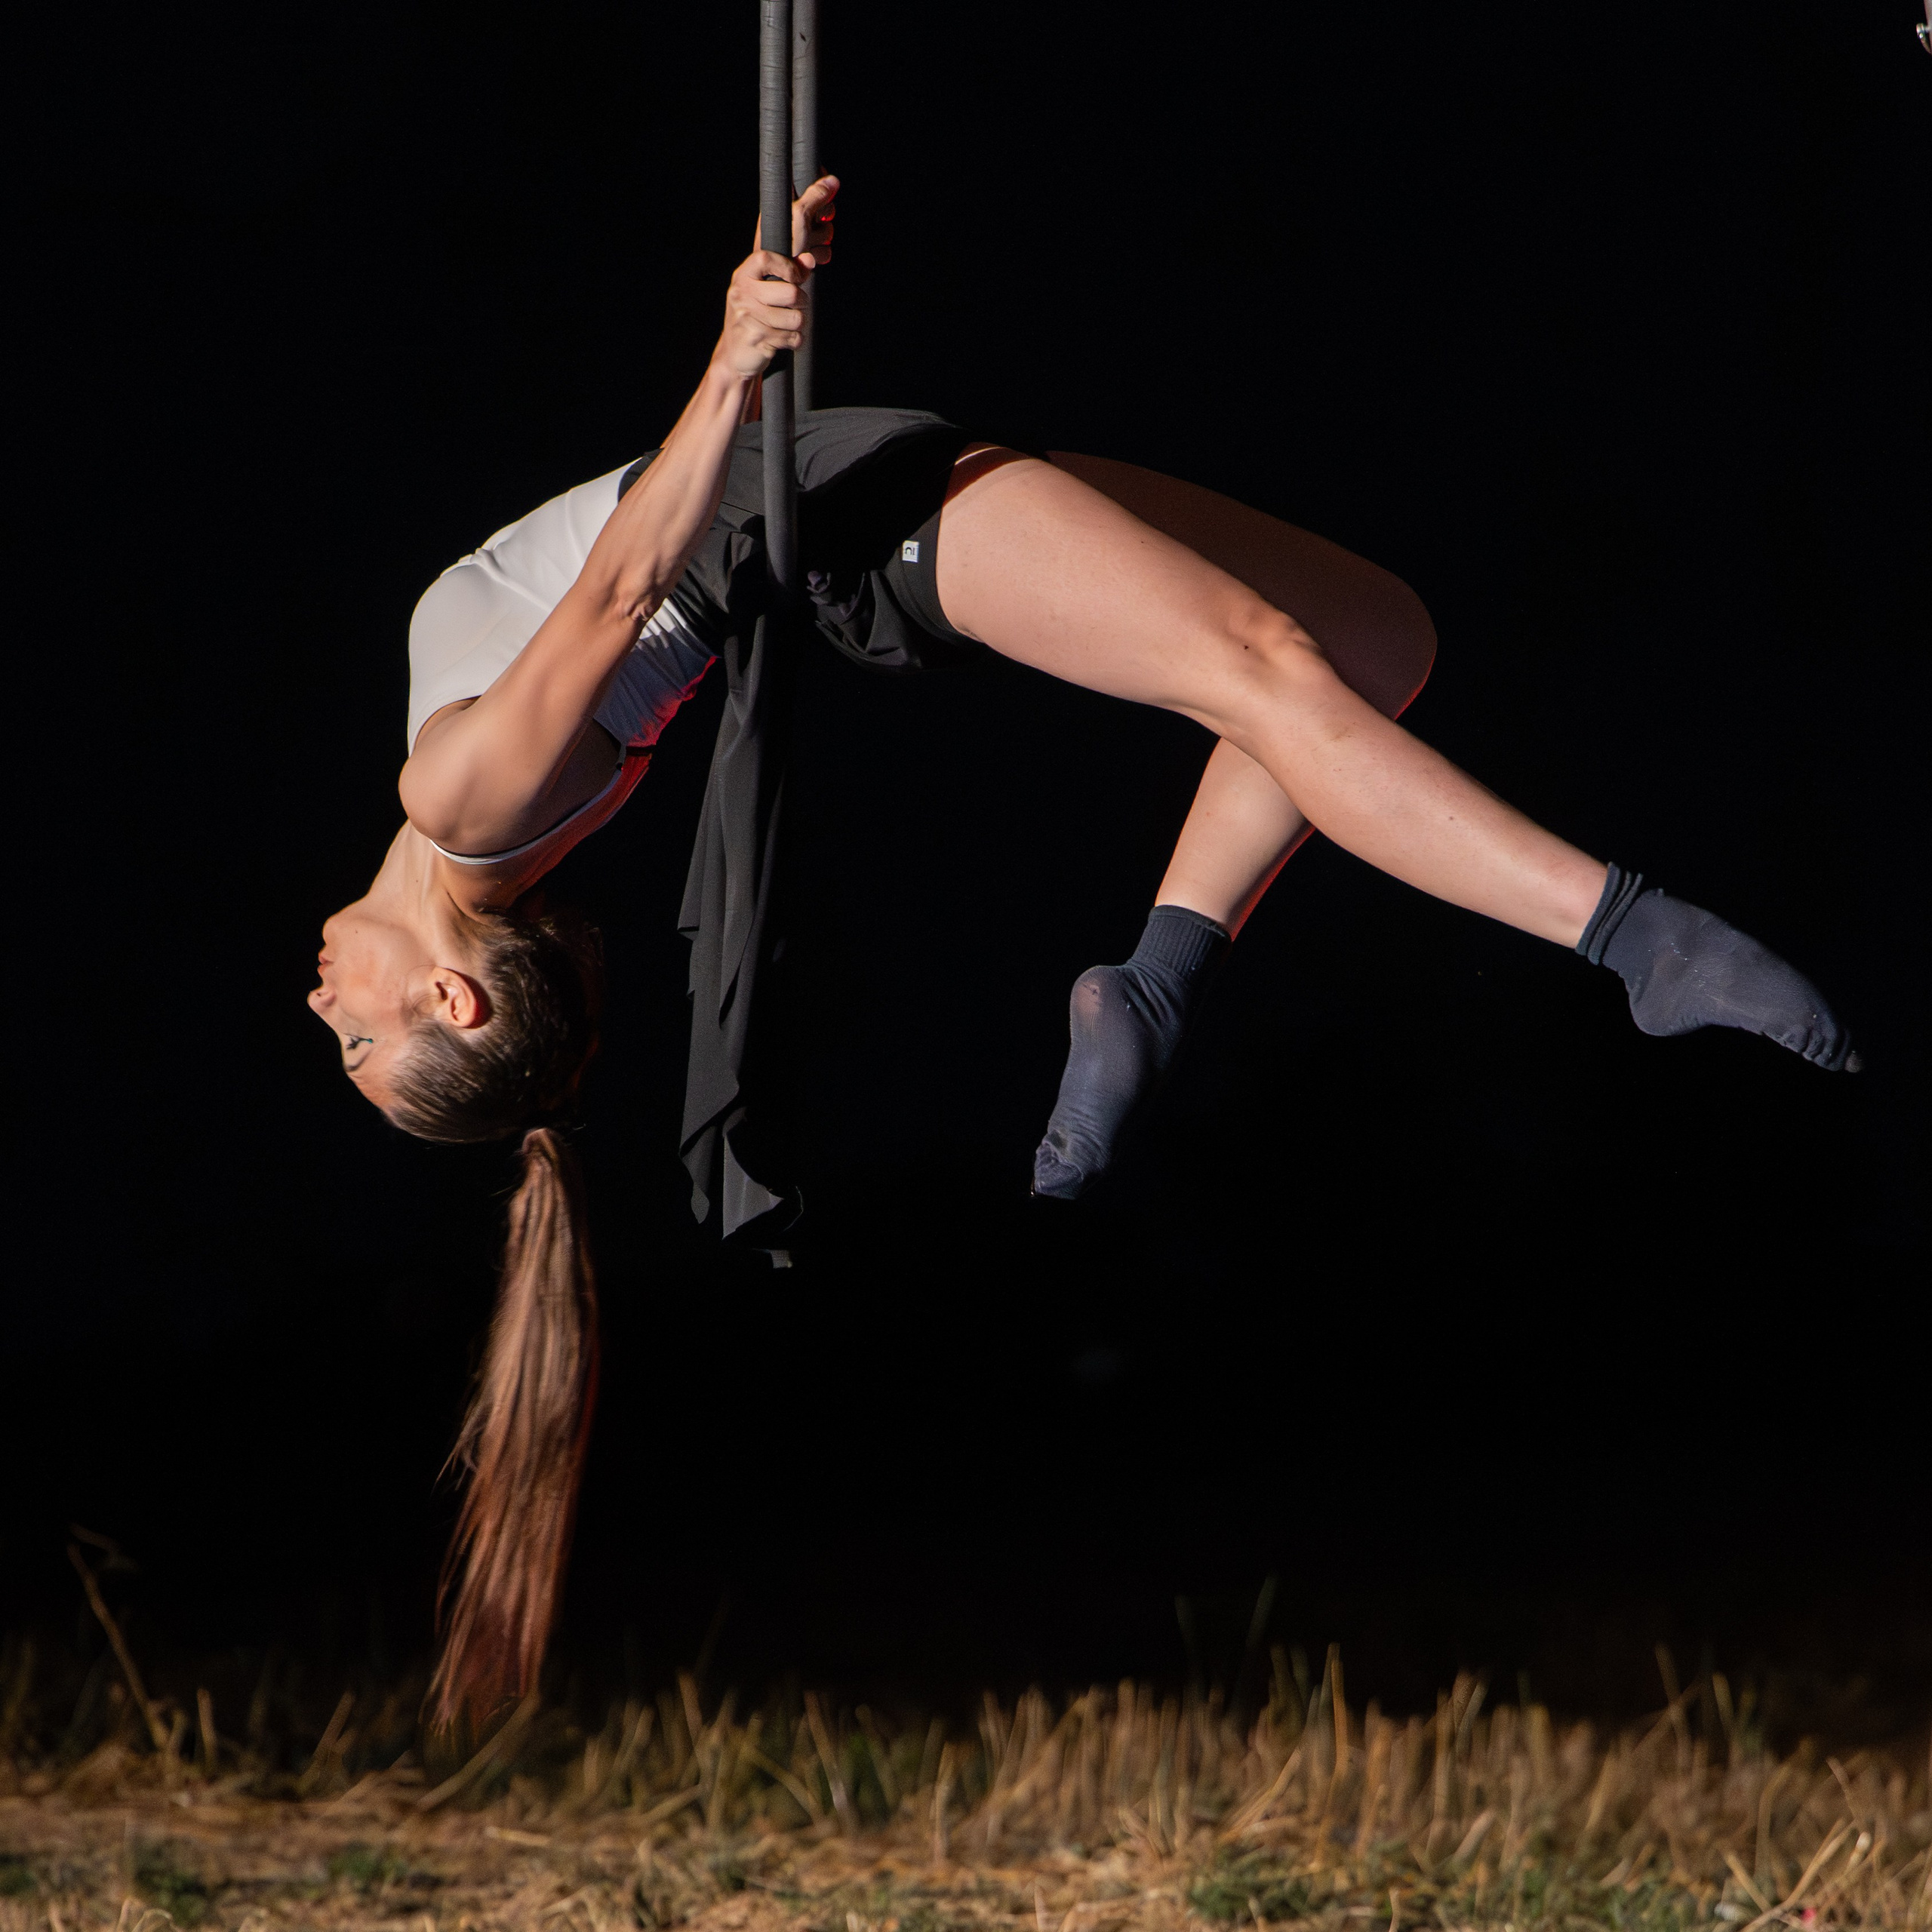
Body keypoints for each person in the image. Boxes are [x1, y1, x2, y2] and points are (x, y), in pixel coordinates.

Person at [309, 175, 1855, 1729]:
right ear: (451, 993)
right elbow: (620, 586)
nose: (325, 1011)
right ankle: (1628, 932)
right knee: (1261, 669)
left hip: (841, 483)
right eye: (359, 1045)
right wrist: (730, 359)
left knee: (1366, 636)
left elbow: (621, 583)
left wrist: (745, 375)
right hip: (845, 520)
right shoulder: (457, 798)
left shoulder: (465, 812)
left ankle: (1154, 977)